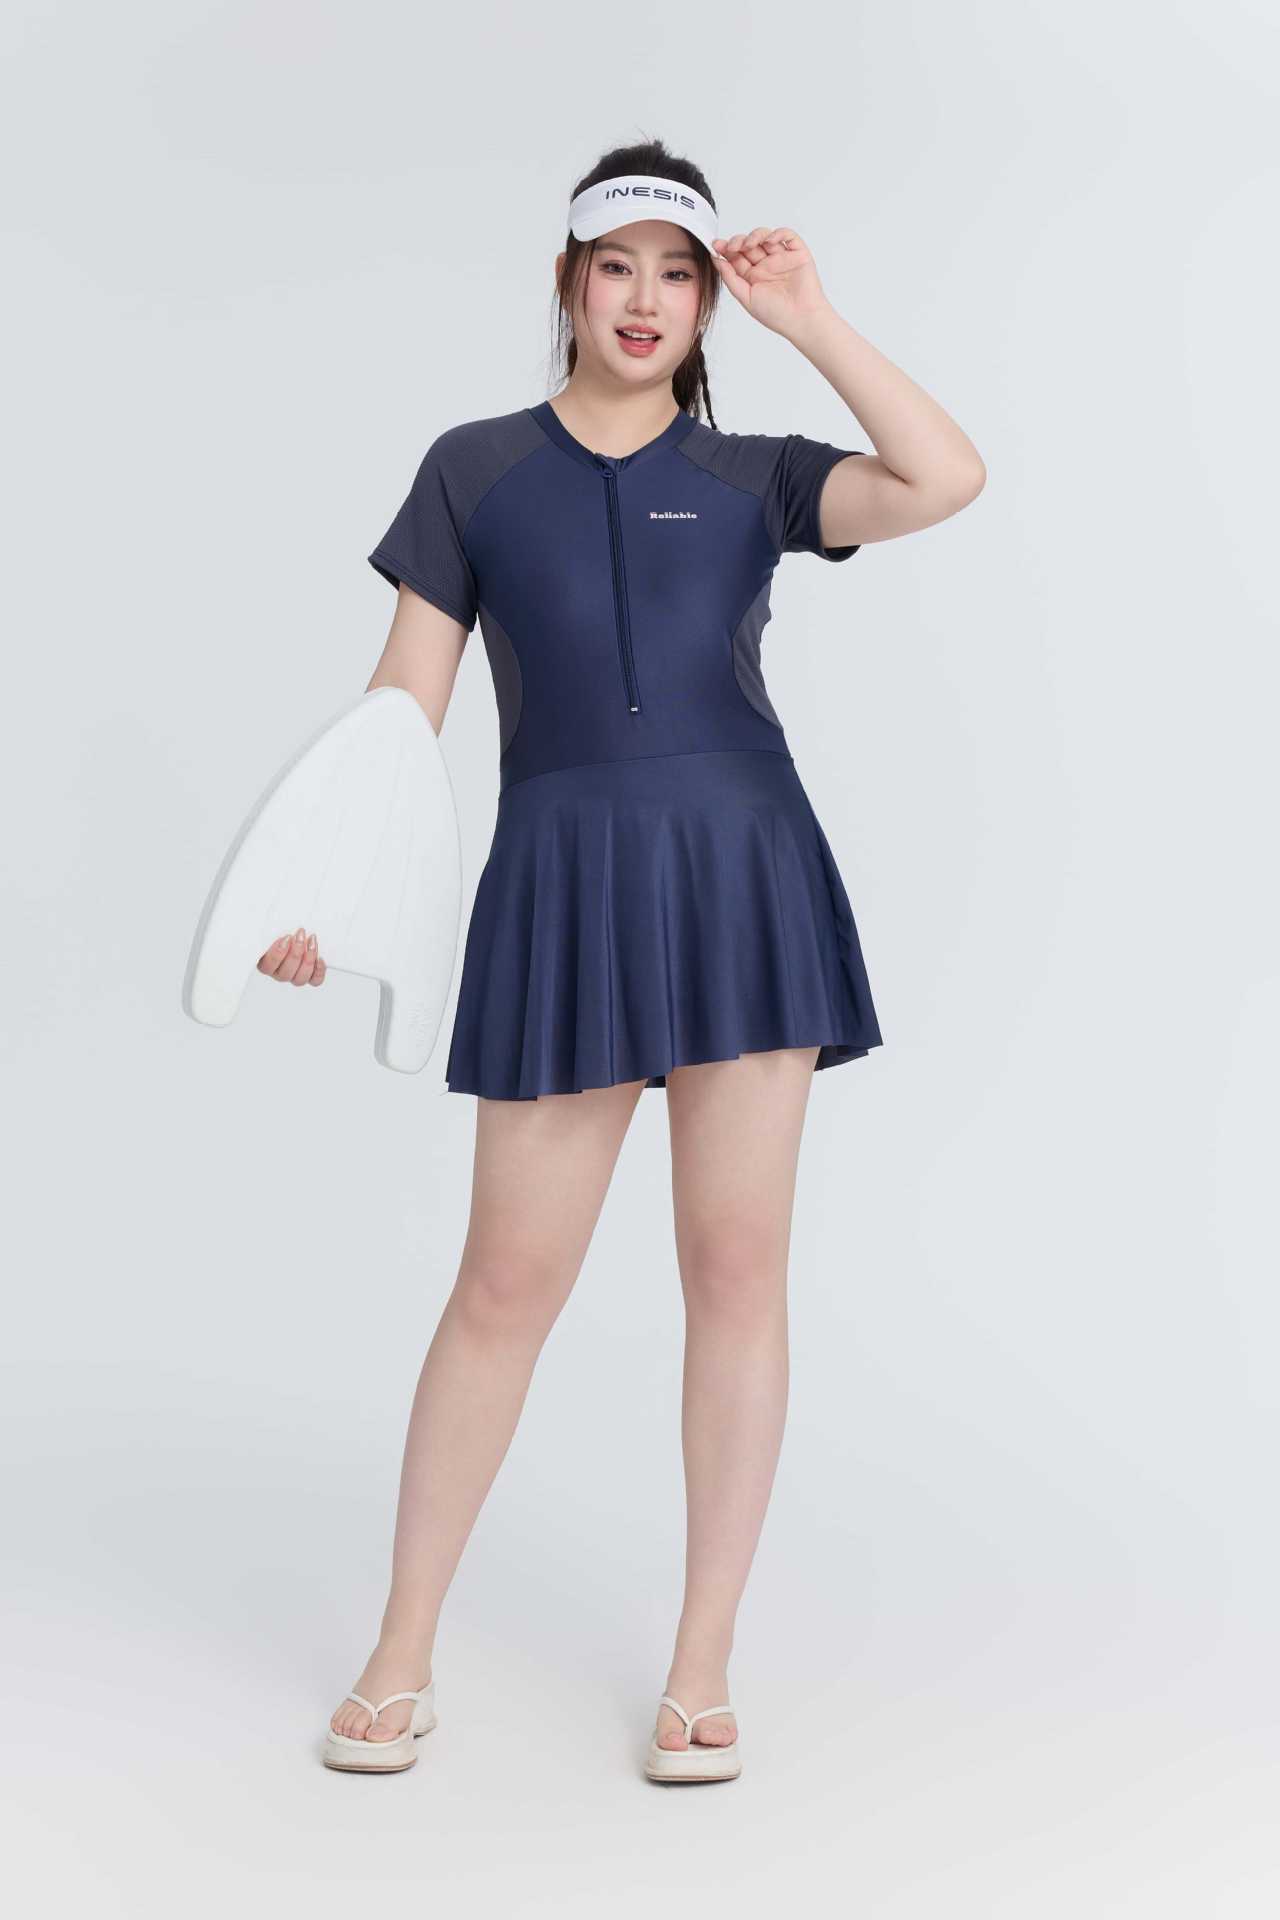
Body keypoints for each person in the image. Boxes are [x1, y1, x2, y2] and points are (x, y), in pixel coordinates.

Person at [258, 137, 985, 1778]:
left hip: (741, 875)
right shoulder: (473, 470)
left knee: (734, 1272)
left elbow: (946, 477)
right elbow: (402, 713)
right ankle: (400, 1649)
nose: (645, 299)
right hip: (563, 881)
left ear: (706, 300)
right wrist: (322, 896)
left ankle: (702, 1665)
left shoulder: (755, 477)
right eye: (617, 267)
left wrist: (812, 318)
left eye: (678, 273)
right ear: (569, 283)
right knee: (503, 1286)